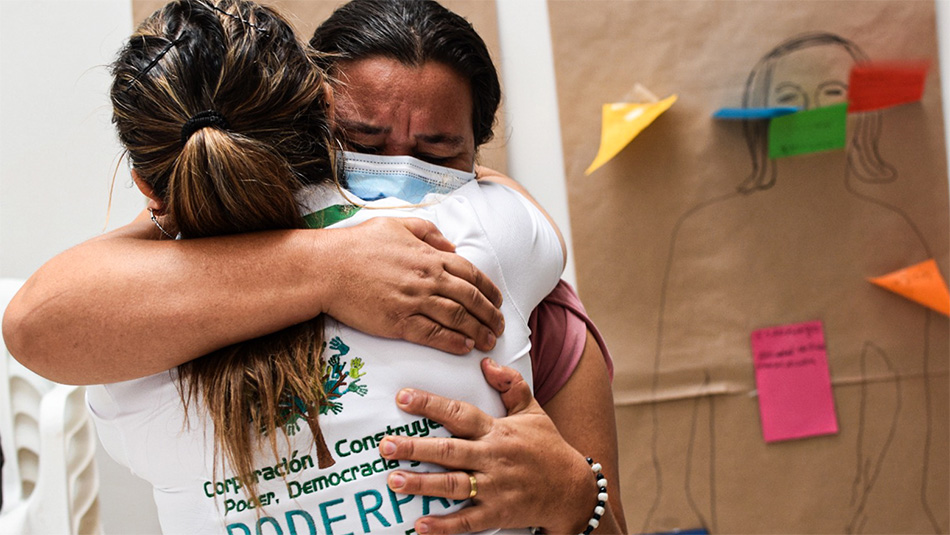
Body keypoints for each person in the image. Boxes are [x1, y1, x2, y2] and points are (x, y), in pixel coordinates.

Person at [2, 0, 625, 533]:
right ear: (305, 132)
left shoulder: (519, 303)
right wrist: (331, 264)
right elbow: (38, 321)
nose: (400, 181)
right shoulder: (146, 303)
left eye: (439, 153)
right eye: (361, 145)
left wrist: (573, 494)